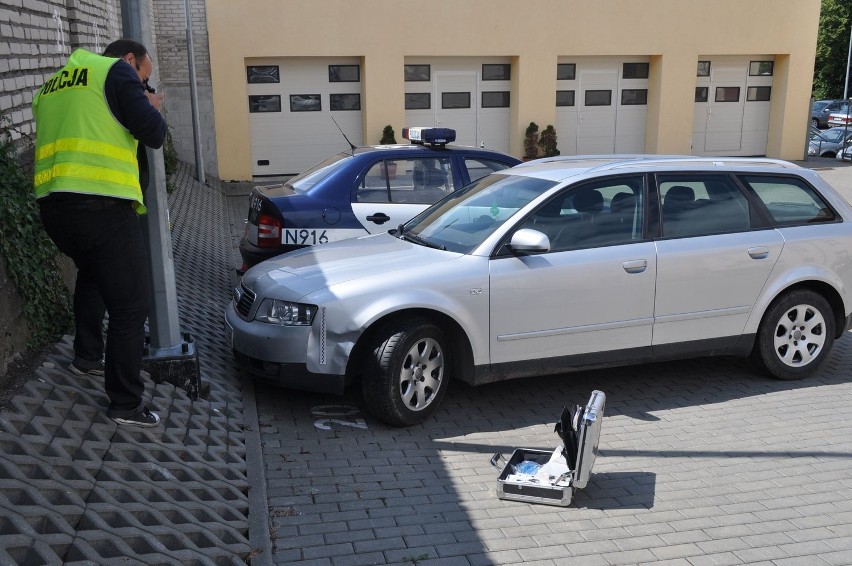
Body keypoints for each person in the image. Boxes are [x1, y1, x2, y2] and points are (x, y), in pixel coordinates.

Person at [32, 39, 167, 427]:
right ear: (129, 60)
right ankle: (126, 403)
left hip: (55, 207)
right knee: (130, 307)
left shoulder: (53, 84)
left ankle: (86, 357)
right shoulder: (115, 72)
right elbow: (153, 133)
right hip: (102, 207)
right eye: (145, 78)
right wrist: (152, 106)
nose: (145, 86)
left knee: (91, 274)